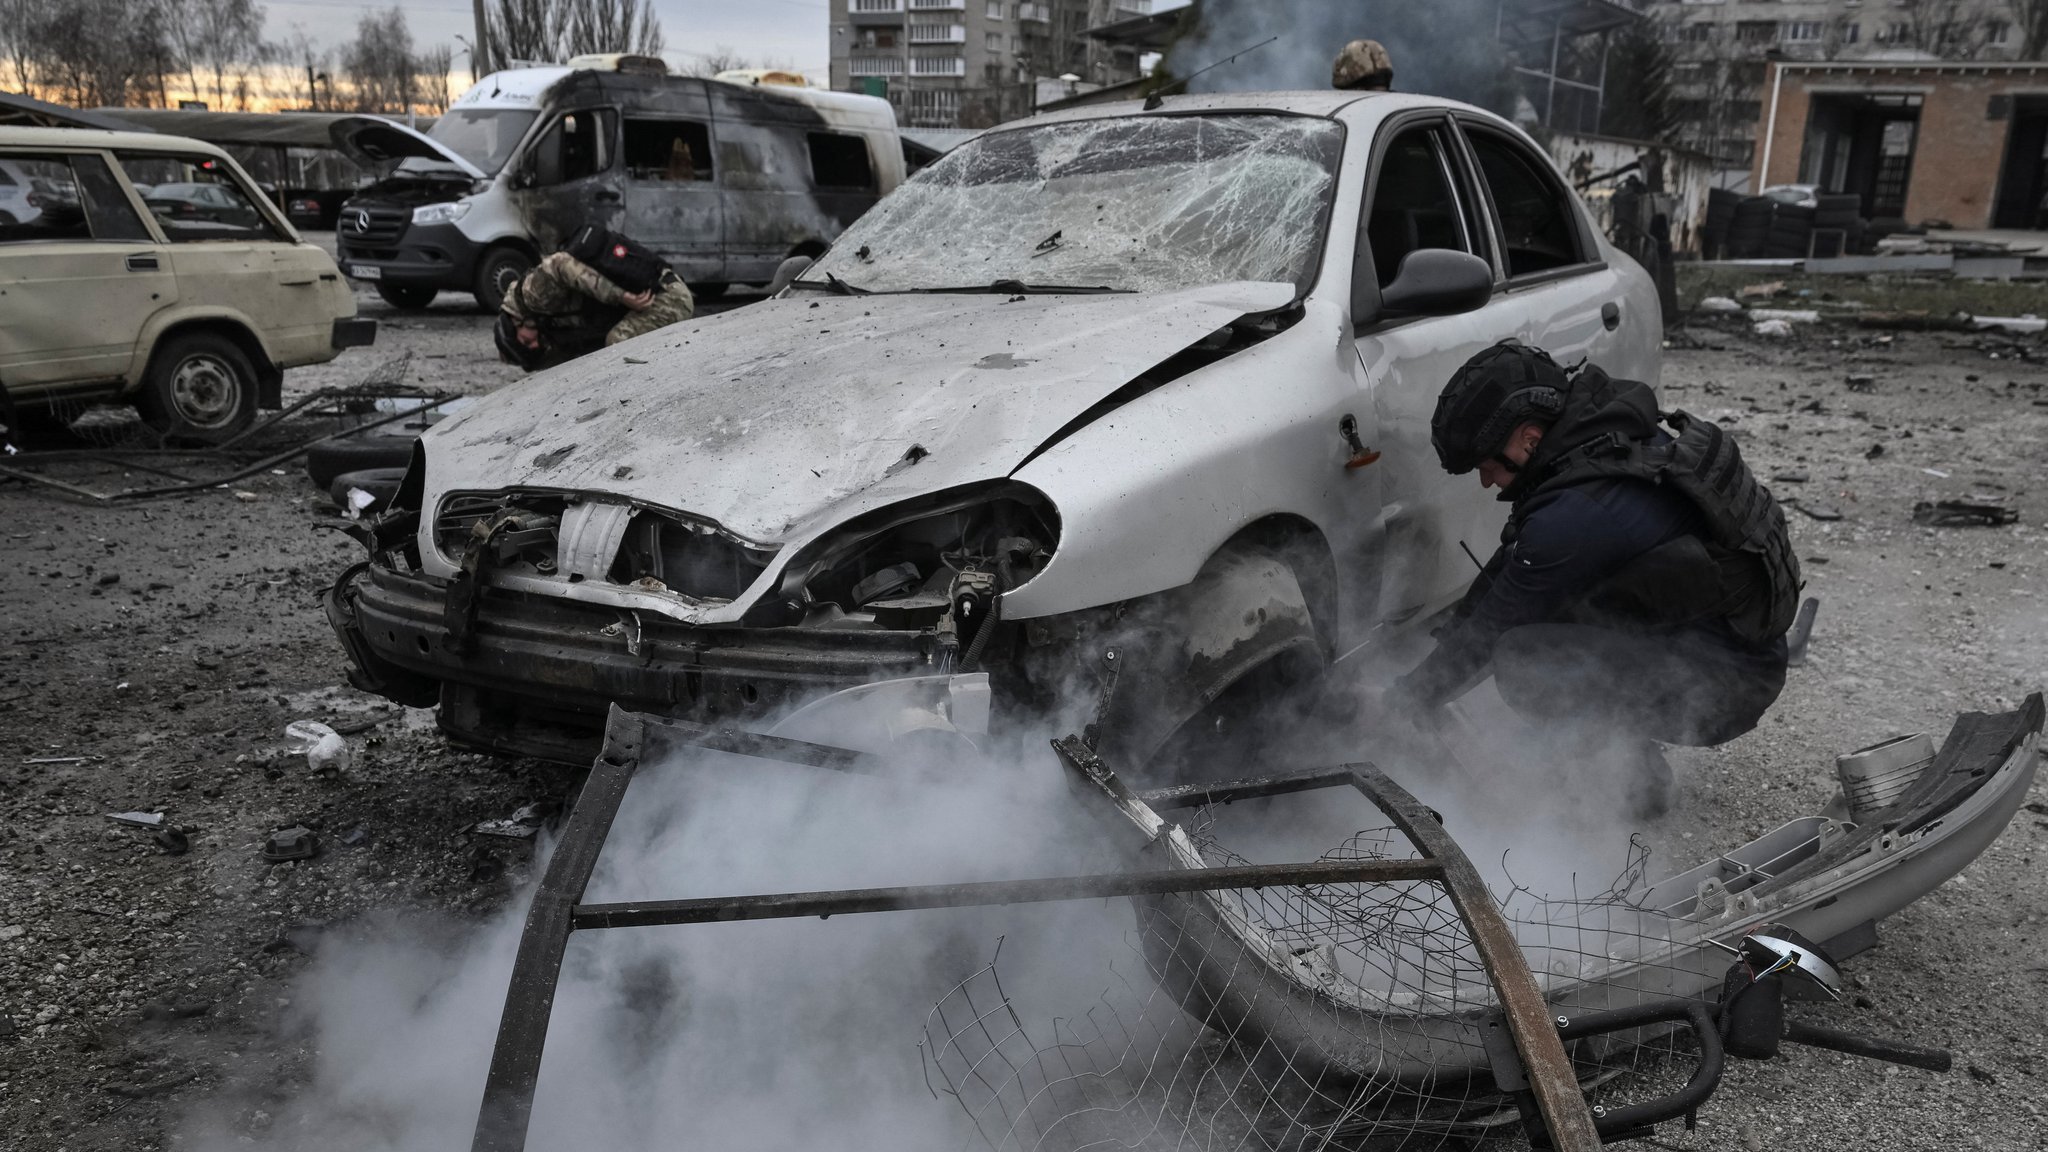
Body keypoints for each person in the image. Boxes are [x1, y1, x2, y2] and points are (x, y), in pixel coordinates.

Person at [1383, 343, 1800, 811]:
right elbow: (1512, 564)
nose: (1485, 481)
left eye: (1487, 466)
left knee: (1524, 659)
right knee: (1545, 619)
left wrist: (1402, 705)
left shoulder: (1579, 515)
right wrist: (1426, 665)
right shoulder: (1603, 443)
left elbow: (1490, 629)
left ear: (1527, 439)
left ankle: (1631, 783)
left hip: (1727, 685)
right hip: (1731, 643)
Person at [495, 238, 695, 372]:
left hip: (668, 297)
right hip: (655, 298)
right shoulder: (542, 321)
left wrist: (620, 295)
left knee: (617, 343)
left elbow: (561, 263)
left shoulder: (531, 295)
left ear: (516, 322)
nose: (536, 343)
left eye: (527, 342)